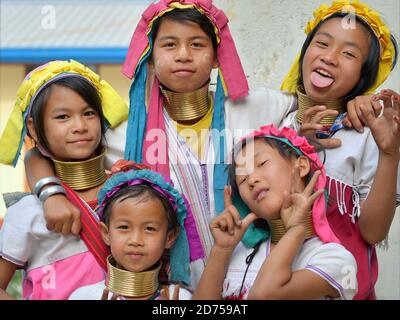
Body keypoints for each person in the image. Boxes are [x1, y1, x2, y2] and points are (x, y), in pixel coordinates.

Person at [20, 0, 372, 288]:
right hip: (173, 290)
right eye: (169, 45)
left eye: (197, 44)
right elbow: (43, 151)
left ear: (217, 56)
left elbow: (325, 98)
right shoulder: (124, 134)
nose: (184, 55)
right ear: (151, 58)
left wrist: (364, 102)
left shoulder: (258, 106)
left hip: (254, 274)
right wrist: (50, 192)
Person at [278, 0, 400, 299]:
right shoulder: (279, 124)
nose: (330, 57)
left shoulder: (370, 135)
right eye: (322, 43)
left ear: (364, 76)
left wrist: (390, 154)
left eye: (348, 54)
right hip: (278, 284)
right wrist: (297, 150)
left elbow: (373, 233)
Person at [0, 60, 128, 299]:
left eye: (89, 113)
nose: (79, 126)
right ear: (34, 128)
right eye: (62, 117)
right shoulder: (27, 212)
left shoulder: (129, 194)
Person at [193, 124, 357, 300]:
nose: (252, 180)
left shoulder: (335, 259)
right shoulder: (239, 253)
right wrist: (221, 250)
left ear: (301, 166)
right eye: (243, 179)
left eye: (261, 163)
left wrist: (296, 230)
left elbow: (263, 295)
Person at [69, 166, 193, 300]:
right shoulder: (85, 296)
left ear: (169, 237)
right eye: (124, 227)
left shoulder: (179, 297)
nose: (135, 240)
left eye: (149, 228)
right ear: (106, 233)